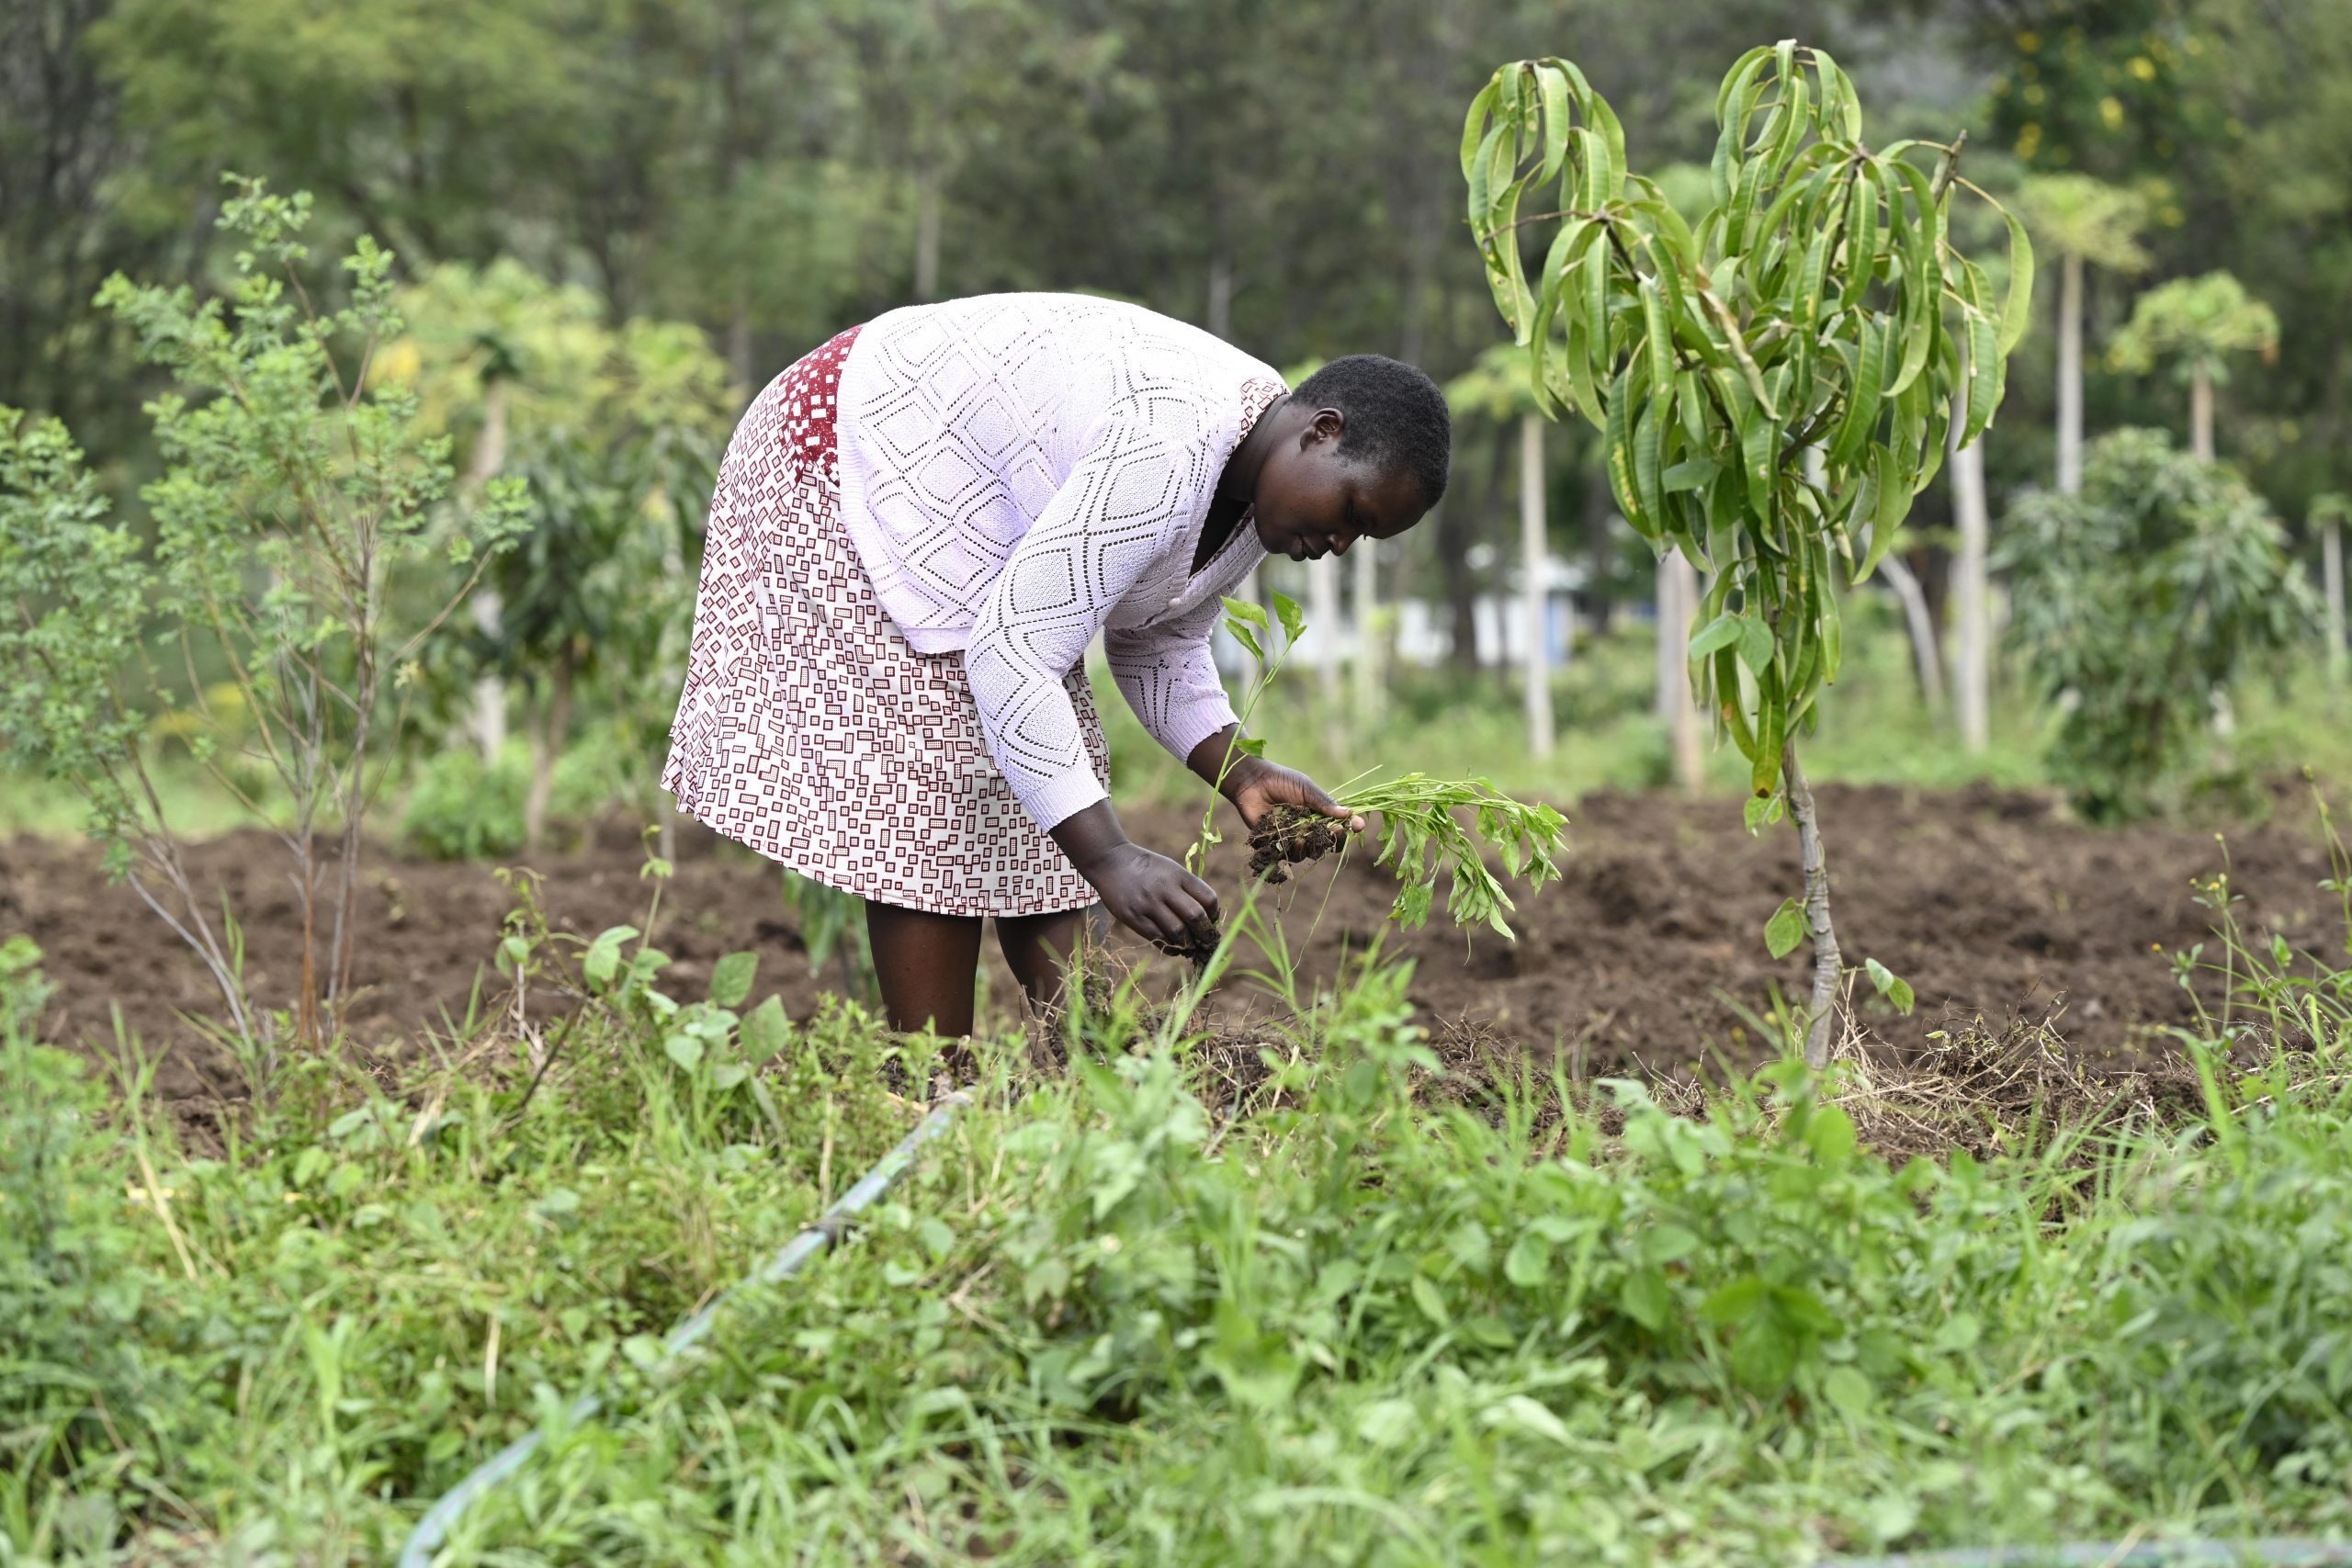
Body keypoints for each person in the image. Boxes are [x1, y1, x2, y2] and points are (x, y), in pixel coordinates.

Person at [662, 292, 1450, 1036]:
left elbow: (1157, 642)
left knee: (1048, 765)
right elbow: (1011, 651)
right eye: (1351, 512)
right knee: (946, 774)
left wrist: (1241, 771)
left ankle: (1095, 1075)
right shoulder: (1169, 445)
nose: (1339, 544)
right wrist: (1110, 856)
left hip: (966, 500)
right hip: (850, 447)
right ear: (1322, 430)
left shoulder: (1253, 496)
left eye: (1361, 538)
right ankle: (934, 1090)